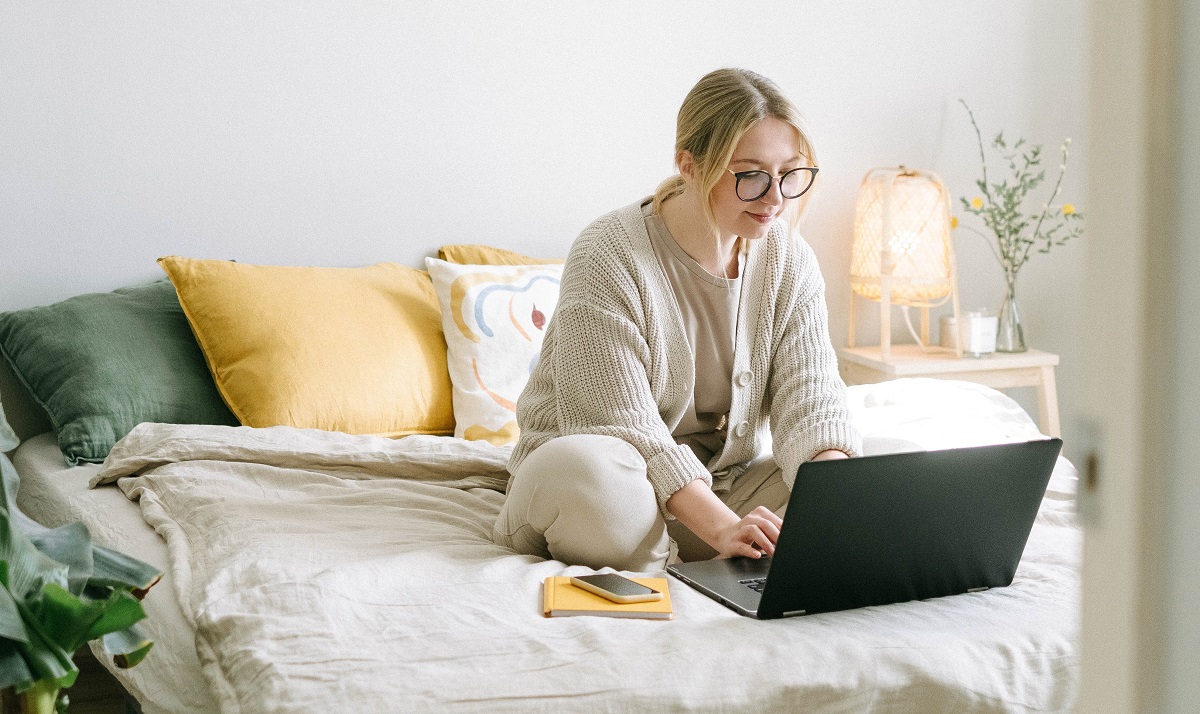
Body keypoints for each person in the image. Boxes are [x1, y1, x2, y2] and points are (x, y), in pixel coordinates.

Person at [493, 68, 863, 572]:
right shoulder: (608, 254)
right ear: (689, 165)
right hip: (609, 488)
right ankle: (698, 556)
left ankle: (706, 561)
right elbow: (622, 428)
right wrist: (722, 528)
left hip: (725, 488)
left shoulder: (790, 261)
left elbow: (812, 399)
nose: (775, 198)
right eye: (750, 175)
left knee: (886, 463)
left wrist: (837, 498)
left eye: (789, 174)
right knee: (588, 471)